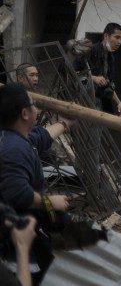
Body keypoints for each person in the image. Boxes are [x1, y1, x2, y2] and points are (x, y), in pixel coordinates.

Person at [0, 83, 75, 282]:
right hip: (15, 249)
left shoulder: (15, 139)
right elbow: (17, 194)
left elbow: (40, 137)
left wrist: (66, 122)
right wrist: (50, 202)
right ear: (25, 114)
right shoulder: (14, 149)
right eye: (34, 104)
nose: (37, 108)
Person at [75, 22, 121, 116]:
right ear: (106, 36)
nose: (119, 42)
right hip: (83, 101)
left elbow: (108, 84)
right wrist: (93, 78)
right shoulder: (90, 51)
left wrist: (118, 102)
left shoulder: (111, 58)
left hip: (99, 102)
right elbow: (72, 72)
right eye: (117, 37)